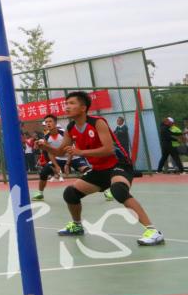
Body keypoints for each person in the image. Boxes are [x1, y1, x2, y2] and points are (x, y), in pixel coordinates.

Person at [56, 90, 163, 246]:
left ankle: (153, 231)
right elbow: (60, 152)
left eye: (71, 103)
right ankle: (77, 226)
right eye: (66, 104)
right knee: (70, 193)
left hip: (118, 164)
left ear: (83, 108)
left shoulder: (97, 122)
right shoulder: (70, 128)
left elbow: (108, 149)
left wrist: (80, 152)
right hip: (99, 169)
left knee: (118, 190)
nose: (67, 106)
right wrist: (45, 147)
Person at [32, 115, 69, 200]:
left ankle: (101, 189)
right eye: (46, 122)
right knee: (43, 173)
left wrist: (67, 163)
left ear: (55, 123)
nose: (48, 124)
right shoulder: (46, 137)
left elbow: (71, 147)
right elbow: (48, 151)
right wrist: (38, 145)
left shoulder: (64, 133)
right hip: (58, 158)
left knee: (86, 171)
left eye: (50, 121)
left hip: (72, 157)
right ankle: (40, 194)